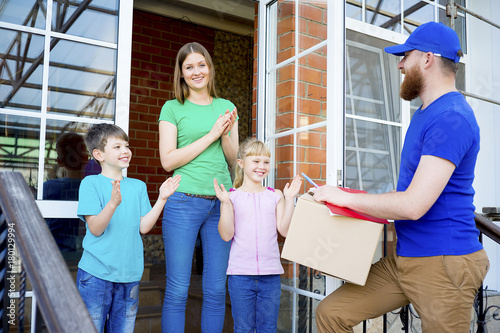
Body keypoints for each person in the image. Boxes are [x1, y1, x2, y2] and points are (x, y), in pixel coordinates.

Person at [313, 21, 489, 333]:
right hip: (405, 258)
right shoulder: (425, 113)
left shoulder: (451, 117)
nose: (400, 63)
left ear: (428, 58)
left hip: (444, 262)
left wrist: (343, 197)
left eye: (405, 55)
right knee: (331, 313)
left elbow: (413, 205)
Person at [158, 42, 239, 332]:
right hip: (183, 202)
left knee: (217, 291)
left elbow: (233, 159)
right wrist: (211, 134)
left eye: (201, 65)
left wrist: (226, 134)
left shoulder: (226, 107)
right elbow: (168, 160)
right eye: (189, 67)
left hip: (222, 205)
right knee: (178, 290)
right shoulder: (172, 108)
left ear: (210, 68)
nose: (196, 72)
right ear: (181, 73)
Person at [76, 123, 181, 332]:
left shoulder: (138, 186)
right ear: (99, 154)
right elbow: (96, 228)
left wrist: (162, 198)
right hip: (96, 274)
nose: (125, 151)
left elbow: (144, 227)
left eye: (126, 145)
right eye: (117, 147)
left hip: (129, 276)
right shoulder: (90, 184)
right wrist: (112, 204)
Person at [213, 138, 301, 332]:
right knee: (243, 328)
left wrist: (290, 199)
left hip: (270, 276)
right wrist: (225, 204)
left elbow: (285, 230)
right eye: (256, 161)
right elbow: (226, 235)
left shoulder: (275, 195)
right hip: (240, 276)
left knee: (267, 328)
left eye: (266, 162)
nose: (262, 166)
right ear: (241, 163)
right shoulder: (231, 197)